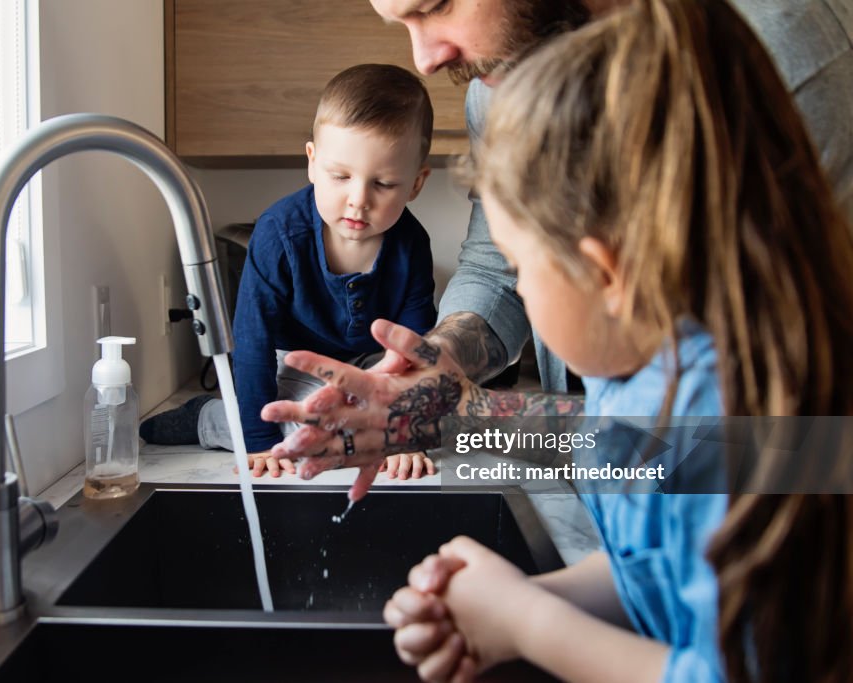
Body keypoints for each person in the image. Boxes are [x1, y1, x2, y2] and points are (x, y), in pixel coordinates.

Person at [377, 1, 853, 681]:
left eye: (525, 268)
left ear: (605, 272)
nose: (424, 57)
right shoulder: (635, 374)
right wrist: (516, 606)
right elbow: (655, 567)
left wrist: (531, 623)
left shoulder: (730, 424)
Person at [258, 0, 853, 498]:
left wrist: (472, 419)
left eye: (437, 5)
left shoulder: (781, 58)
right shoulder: (501, 82)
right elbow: (496, 268)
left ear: (607, 269)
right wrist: (432, 371)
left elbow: (783, 450)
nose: (424, 58)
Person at [141, 63, 438, 480]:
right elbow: (252, 341)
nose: (358, 200)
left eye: (384, 184)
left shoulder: (411, 244)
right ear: (313, 163)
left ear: (416, 184)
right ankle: (209, 418)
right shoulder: (279, 233)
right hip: (288, 365)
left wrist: (407, 436)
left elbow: (412, 351)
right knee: (309, 423)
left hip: (366, 363)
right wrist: (259, 442)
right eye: (340, 176)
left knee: (445, 414)